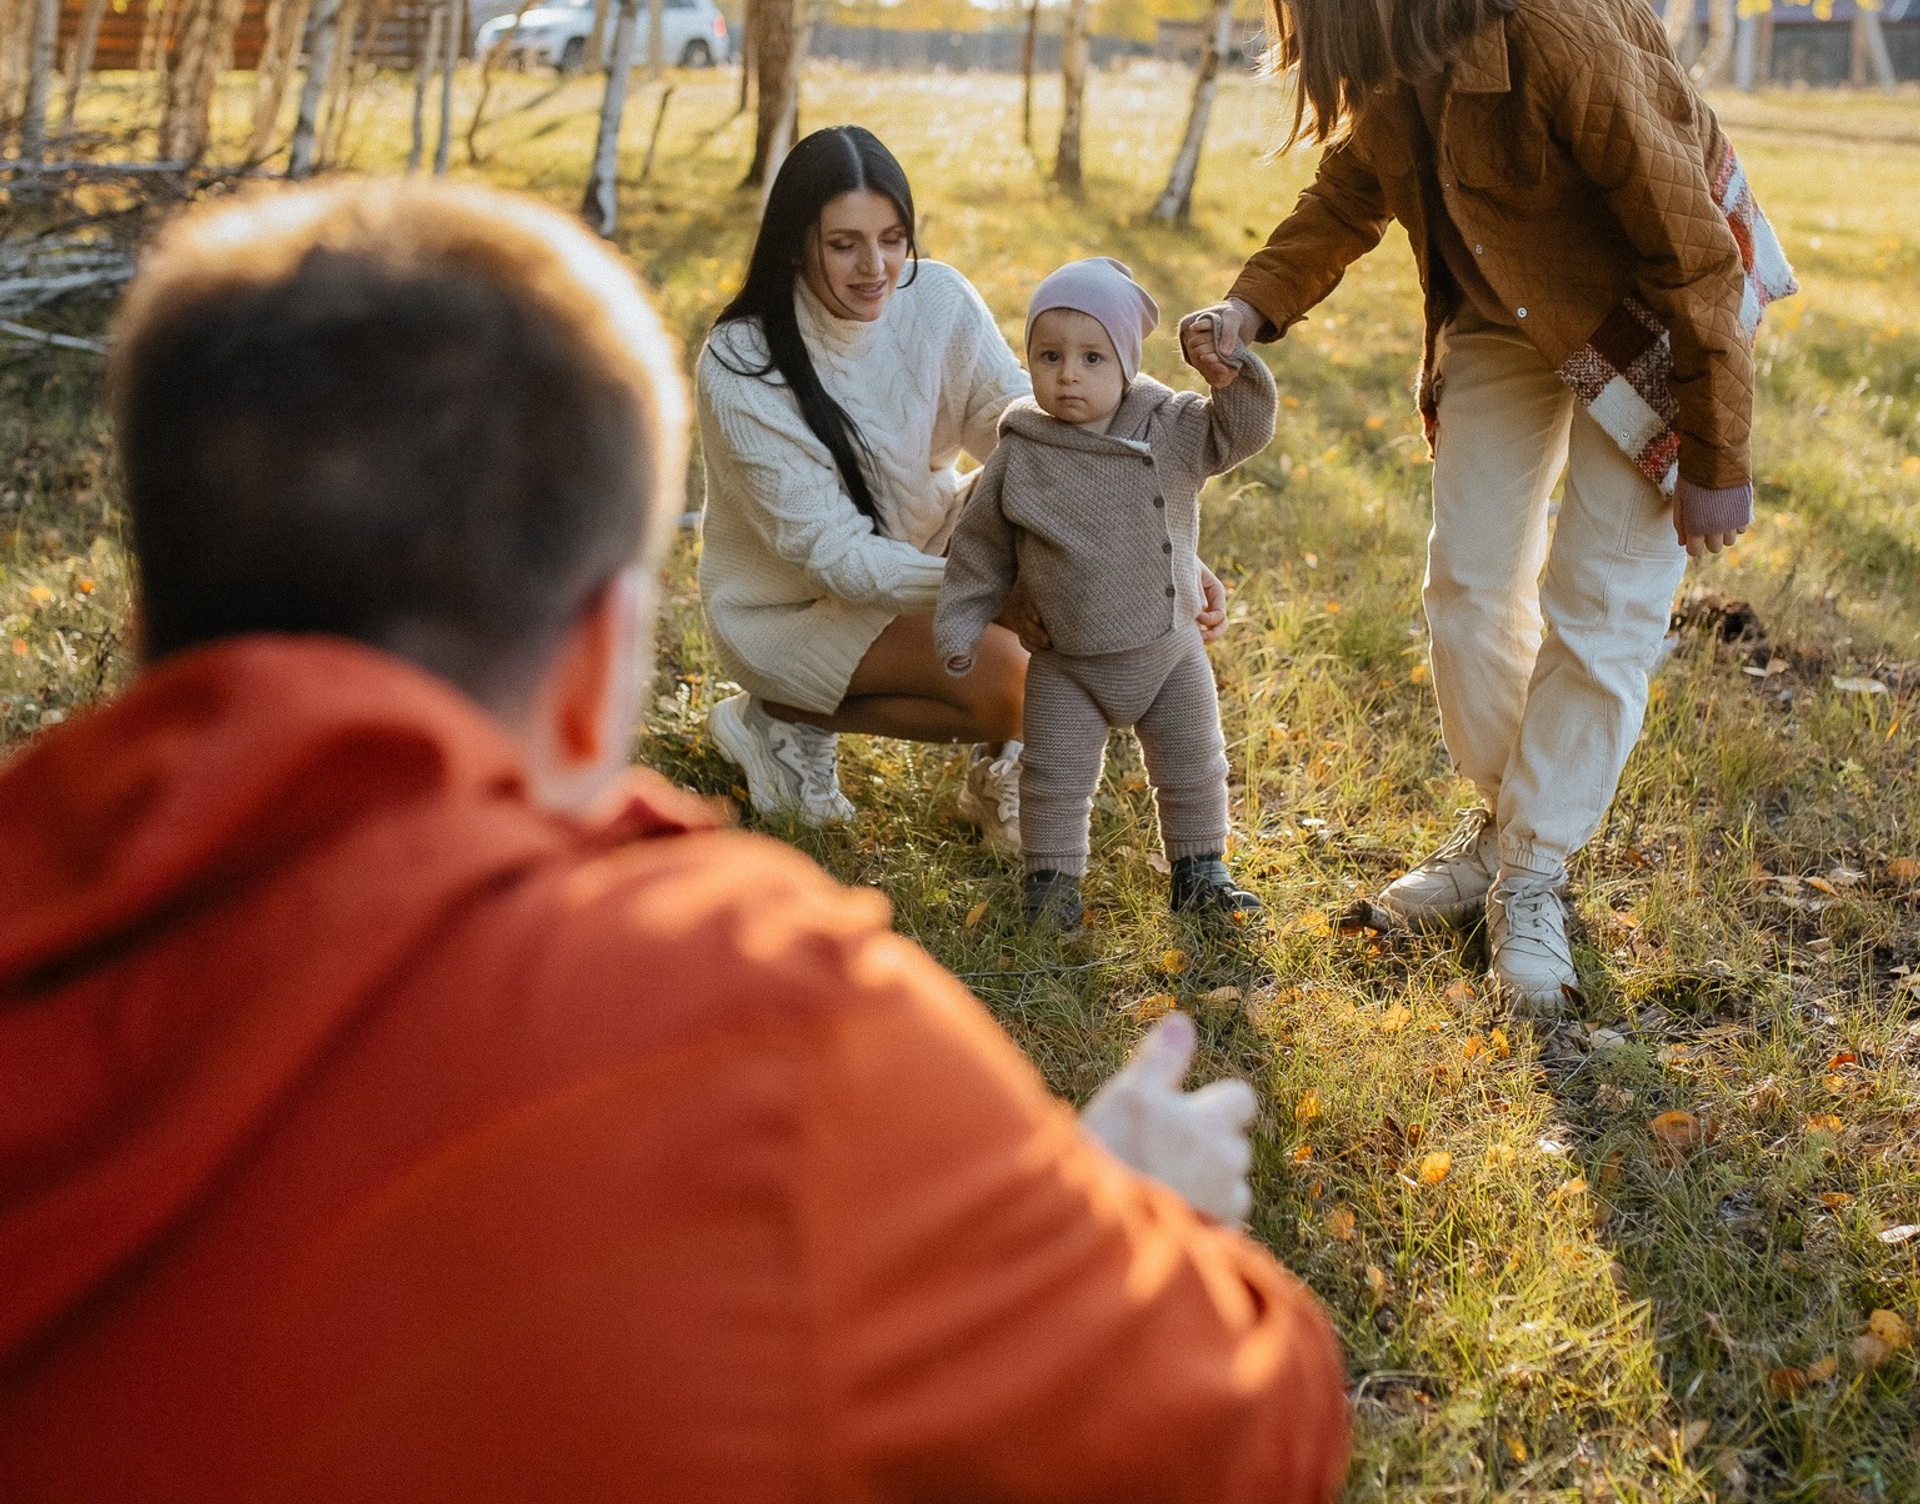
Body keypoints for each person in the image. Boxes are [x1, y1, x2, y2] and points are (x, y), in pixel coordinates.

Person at [0, 178, 1350, 1503]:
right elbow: (1260, 1429)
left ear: (144, 629)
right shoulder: (766, 1014)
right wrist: (1128, 1212)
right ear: (603, 657)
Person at [1181, 0, 1795, 1017]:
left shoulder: (1558, 25)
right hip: (1504, 314)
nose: (1287, 11)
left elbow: (1693, 257)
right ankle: (1510, 828)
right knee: (1467, 589)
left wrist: (1718, 454)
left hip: (1652, 316)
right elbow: (1351, 192)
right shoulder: (1394, 56)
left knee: (1601, 606)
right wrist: (1251, 304)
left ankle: (1533, 872)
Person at [696, 124, 1226, 837]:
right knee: (1020, 686)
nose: (875, 267)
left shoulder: (937, 299)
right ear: (795, 243)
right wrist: (994, 594)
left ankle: (1006, 767)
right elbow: (835, 558)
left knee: (1069, 576)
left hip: (930, 539)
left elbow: (1043, 437)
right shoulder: (742, 365)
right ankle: (778, 717)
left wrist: (1161, 557)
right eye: (844, 244)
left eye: (892, 239)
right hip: (799, 609)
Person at [935, 260, 1276, 931]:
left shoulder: (1170, 426)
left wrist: (1229, 375)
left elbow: (1241, 432)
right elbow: (978, 548)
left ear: (1126, 362)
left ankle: (1201, 872)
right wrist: (962, 624)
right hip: (1068, 663)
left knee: (1193, 765)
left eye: (1092, 358)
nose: (1068, 374)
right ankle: (1051, 885)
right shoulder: (1020, 450)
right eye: (1050, 356)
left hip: (1169, 652)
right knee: (1054, 778)